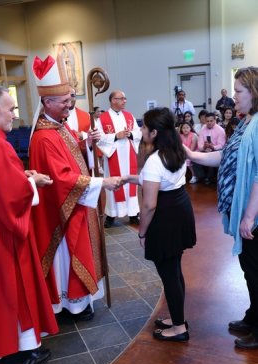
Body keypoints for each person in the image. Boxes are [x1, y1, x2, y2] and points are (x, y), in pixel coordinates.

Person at [29, 55, 122, 319]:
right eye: (65, 102)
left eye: (71, 101)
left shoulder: (60, 128)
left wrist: (88, 144)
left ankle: (80, 301)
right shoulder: (45, 137)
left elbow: (75, 157)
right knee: (68, 254)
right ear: (47, 102)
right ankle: (71, 305)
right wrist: (100, 182)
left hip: (78, 202)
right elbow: (61, 178)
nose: (70, 107)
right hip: (62, 211)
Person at [184, 67, 258, 349]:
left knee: (256, 269)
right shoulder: (245, 122)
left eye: (239, 91)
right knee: (249, 268)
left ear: (253, 92)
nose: (233, 97)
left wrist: (249, 216)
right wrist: (192, 154)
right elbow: (225, 156)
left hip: (254, 211)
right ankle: (253, 316)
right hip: (244, 208)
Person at [0, 85, 58, 364]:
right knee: (12, 288)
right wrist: (33, 181)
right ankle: (18, 351)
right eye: (10, 109)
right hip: (2, 234)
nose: (15, 115)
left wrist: (22, 173)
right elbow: (10, 194)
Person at [122, 107, 196, 342]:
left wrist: (142, 232)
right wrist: (127, 178)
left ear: (154, 132)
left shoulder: (154, 160)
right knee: (175, 269)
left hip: (165, 218)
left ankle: (178, 329)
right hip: (180, 208)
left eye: (143, 127)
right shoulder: (175, 149)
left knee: (169, 275)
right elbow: (162, 181)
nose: (141, 130)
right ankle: (178, 318)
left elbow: (149, 205)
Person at [96, 90, 142, 228]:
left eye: (125, 98)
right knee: (114, 183)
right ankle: (111, 215)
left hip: (129, 154)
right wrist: (116, 136)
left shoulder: (129, 116)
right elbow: (98, 137)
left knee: (130, 183)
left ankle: (133, 214)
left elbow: (138, 132)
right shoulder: (102, 118)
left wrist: (131, 134)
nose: (125, 101)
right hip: (113, 155)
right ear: (113, 100)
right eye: (122, 98)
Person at [195, 112, 226, 184]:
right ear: (205, 121)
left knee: (212, 156)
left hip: (216, 151)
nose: (209, 123)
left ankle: (211, 178)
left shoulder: (220, 130)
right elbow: (199, 145)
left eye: (211, 121)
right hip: (205, 150)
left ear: (215, 120)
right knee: (195, 156)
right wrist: (204, 146)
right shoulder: (203, 129)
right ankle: (202, 177)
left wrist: (213, 147)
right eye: (207, 121)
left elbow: (221, 145)